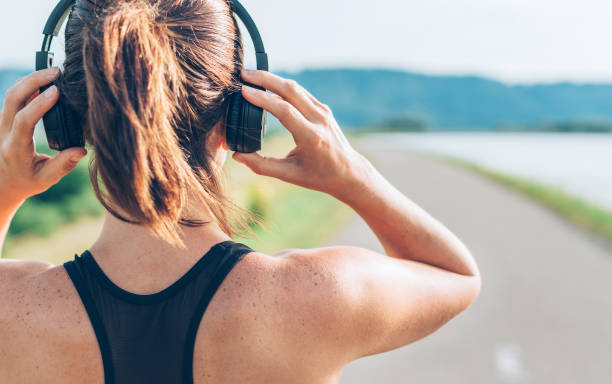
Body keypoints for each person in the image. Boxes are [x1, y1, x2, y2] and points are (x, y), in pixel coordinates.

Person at [0, 0, 481, 383]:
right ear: (240, 118)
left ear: (65, 120)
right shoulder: (318, 296)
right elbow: (455, 277)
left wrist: (5, 192)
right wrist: (355, 174)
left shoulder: (14, 310)